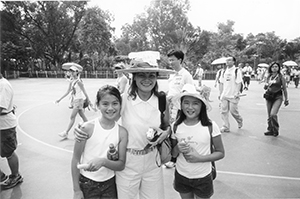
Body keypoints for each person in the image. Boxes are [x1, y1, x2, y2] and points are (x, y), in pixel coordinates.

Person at [75, 58, 174, 199]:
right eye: (142, 75)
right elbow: (106, 118)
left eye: (151, 75)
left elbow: (167, 125)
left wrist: (165, 133)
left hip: (153, 161)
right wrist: (83, 127)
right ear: (134, 78)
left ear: (156, 78)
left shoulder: (162, 100)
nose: (147, 80)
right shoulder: (125, 100)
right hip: (128, 162)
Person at [71, 85, 128, 199]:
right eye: (105, 104)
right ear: (98, 105)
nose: (110, 108)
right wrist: (77, 190)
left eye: (115, 103)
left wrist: (103, 161)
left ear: (120, 105)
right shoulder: (87, 128)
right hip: (87, 182)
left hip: (110, 183)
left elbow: (121, 164)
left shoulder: (122, 132)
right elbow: (75, 159)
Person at [170, 83, 225, 199]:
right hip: (182, 175)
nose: (190, 107)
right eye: (186, 103)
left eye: (195, 103)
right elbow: (173, 154)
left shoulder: (210, 126)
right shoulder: (175, 126)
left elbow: (220, 152)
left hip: (203, 176)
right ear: (181, 105)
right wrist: (177, 148)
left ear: (202, 106)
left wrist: (200, 158)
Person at [165, 49, 194, 168]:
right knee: (170, 132)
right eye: (169, 60)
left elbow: (190, 92)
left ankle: (174, 159)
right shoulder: (172, 75)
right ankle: (173, 157)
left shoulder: (186, 75)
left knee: (176, 133)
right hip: (170, 108)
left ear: (180, 60)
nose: (170, 62)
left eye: (173, 60)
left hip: (179, 109)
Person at [56, 64, 92, 139]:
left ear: (76, 72)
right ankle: (91, 127)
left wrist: (88, 100)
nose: (71, 73)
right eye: (70, 71)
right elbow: (68, 91)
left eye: (73, 71)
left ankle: (66, 132)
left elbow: (84, 91)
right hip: (75, 101)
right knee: (82, 116)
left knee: (72, 117)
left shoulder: (79, 81)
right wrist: (60, 99)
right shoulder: (72, 81)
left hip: (79, 101)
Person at [0, 73, 23, 190]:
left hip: (5, 126)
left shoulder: (3, 85)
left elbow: (0, 107)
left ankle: (16, 176)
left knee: (8, 152)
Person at [263, 62, 289, 137]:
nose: (274, 68)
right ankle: (270, 129)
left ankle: (275, 129)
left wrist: (286, 99)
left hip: (278, 97)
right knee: (269, 115)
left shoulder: (281, 77)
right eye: (273, 67)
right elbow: (265, 87)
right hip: (269, 96)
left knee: (273, 114)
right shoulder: (269, 76)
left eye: (276, 67)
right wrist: (266, 85)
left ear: (278, 68)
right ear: (270, 68)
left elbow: (284, 88)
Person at [219, 56, 243, 133]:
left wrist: (237, 92)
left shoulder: (236, 71)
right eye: (227, 60)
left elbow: (239, 83)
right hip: (225, 95)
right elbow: (221, 83)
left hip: (233, 95)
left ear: (233, 62)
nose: (228, 61)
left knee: (233, 111)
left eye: (230, 60)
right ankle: (226, 126)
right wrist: (220, 93)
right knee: (224, 111)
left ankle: (239, 120)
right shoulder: (223, 71)